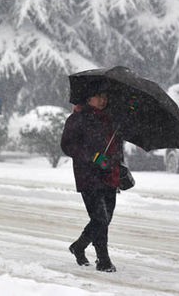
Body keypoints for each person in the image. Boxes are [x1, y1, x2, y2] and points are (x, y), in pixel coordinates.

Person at [60, 82, 122, 272]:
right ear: (89, 99)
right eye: (99, 96)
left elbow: (115, 148)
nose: (103, 100)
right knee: (100, 219)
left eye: (105, 97)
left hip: (109, 175)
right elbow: (68, 146)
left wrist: (119, 166)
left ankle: (79, 246)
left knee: (104, 219)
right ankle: (103, 260)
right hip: (89, 177)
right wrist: (94, 157)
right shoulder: (77, 119)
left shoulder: (111, 119)